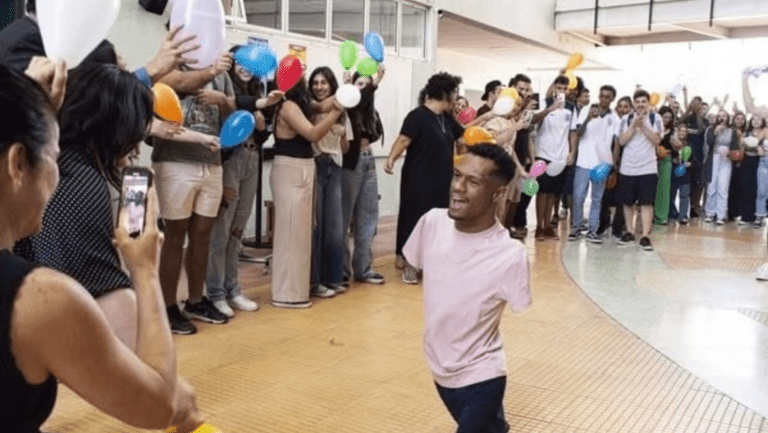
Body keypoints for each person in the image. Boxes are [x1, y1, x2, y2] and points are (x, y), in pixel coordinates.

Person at [0, 61, 203, 433]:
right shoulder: (39, 295)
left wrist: (23, 103)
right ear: (18, 163)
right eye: (52, 152)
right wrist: (143, 270)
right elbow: (161, 404)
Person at [403, 144, 531, 433]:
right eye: (456, 175)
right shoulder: (432, 223)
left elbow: (520, 305)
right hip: (441, 368)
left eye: (472, 182)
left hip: (482, 377)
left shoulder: (509, 254)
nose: (457, 188)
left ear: (497, 194)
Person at [153, 53, 236, 334]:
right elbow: (174, 84)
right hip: (175, 161)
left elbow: (232, 115)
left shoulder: (222, 74)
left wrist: (222, 100)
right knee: (175, 235)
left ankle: (196, 300)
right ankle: (166, 306)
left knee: (203, 234)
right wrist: (211, 71)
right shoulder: (170, 65)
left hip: (211, 162)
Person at [205, 46, 283, 318]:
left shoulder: (260, 91)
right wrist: (260, 107)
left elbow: (262, 135)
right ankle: (215, 293)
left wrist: (262, 128)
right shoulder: (227, 88)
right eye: (238, 62)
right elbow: (234, 103)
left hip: (252, 159)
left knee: (237, 230)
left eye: (247, 62)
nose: (244, 67)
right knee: (221, 230)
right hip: (230, 161)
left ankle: (232, 288)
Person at [385, 72, 466, 284]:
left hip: (442, 179)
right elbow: (403, 140)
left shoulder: (447, 118)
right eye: (454, 93)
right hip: (418, 178)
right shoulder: (417, 116)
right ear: (444, 94)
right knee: (415, 218)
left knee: (439, 220)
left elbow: (462, 138)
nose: (456, 98)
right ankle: (410, 264)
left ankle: (432, 261)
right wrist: (391, 159)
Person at [271, 76, 344, 308]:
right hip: (291, 169)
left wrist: (353, 88)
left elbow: (322, 105)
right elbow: (312, 134)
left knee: (301, 234)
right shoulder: (288, 106)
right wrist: (335, 115)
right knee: (291, 234)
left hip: (301, 168)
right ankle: (287, 293)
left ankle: (296, 290)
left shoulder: (300, 103)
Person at [342, 68, 387, 285]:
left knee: (368, 215)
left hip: (369, 160)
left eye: (367, 84)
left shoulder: (370, 111)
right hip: (351, 163)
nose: (365, 88)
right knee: (344, 217)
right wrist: (374, 82)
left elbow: (376, 131)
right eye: (360, 83)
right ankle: (341, 270)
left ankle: (363, 267)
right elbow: (356, 101)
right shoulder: (347, 105)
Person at [308, 66, 351, 298]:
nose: (319, 87)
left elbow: (345, 147)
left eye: (324, 83)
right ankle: (315, 281)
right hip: (315, 164)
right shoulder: (310, 108)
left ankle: (333, 278)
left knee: (334, 227)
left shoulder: (343, 111)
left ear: (331, 85)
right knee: (317, 225)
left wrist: (342, 133)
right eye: (315, 83)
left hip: (334, 166)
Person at [569, 85, 619, 244]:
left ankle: (592, 231)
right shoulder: (585, 111)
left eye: (607, 97)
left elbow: (616, 143)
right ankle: (576, 228)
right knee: (578, 197)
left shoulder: (615, 118)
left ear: (612, 99)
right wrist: (588, 118)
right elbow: (578, 133)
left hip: (602, 164)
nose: (604, 99)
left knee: (597, 199)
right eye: (602, 96)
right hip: (584, 161)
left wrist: (613, 164)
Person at [617, 90, 663, 251]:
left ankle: (645, 235)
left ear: (649, 103)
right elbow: (622, 141)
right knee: (628, 203)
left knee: (646, 203)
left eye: (644, 101)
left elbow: (657, 140)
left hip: (648, 167)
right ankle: (629, 232)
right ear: (633, 104)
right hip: (628, 168)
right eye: (637, 102)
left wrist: (643, 126)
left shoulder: (655, 118)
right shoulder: (625, 119)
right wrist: (633, 126)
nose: (640, 104)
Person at [532, 75, 574, 241]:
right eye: (559, 88)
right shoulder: (544, 103)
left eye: (565, 89)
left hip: (560, 157)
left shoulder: (571, 108)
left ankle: (548, 225)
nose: (561, 92)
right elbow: (532, 121)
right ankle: (539, 227)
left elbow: (572, 132)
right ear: (553, 88)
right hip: (542, 154)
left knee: (553, 193)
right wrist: (550, 109)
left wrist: (571, 152)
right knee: (541, 192)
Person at [703, 109, 742, 224]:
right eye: (719, 116)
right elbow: (708, 144)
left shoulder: (732, 131)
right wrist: (715, 132)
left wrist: (729, 152)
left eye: (724, 116)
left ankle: (721, 215)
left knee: (723, 188)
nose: (721, 118)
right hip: (713, 160)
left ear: (728, 118)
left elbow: (735, 148)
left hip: (726, 160)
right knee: (711, 187)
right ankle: (710, 213)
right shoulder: (711, 129)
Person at [680, 96, 709, 219]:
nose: (695, 106)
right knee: (685, 182)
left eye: (698, 104)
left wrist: (698, 113)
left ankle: (694, 207)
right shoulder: (687, 118)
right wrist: (688, 111)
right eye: (694, 103)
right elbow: (678, 123)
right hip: (686, 154)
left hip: (699, 155)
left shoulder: (705, 120)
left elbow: (701, 129)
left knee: (697, 184)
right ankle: (682, 209)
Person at [653, 106, 676, 225]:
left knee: (664, 188)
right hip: (652, 160)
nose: (667, 119)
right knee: (652, 188)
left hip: (666, 160)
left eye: (669, 118)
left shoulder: (672, 132)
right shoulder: (653, 128)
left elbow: (676, 147)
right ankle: (651, 214)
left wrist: (673, 146)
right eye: (665, 117)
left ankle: (662, 216)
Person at [669, 123, 692, 224]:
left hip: (685, 173)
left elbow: (693, 160)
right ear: (677, 132)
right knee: (671, 194)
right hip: (673, 172)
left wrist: (689, 163)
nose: (682, 133)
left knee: (684, 195)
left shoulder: (689, 145)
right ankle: (672, 213)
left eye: (684, 131)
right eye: (680, 131)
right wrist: (674, 160)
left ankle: (683, 215)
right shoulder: (672, 143)